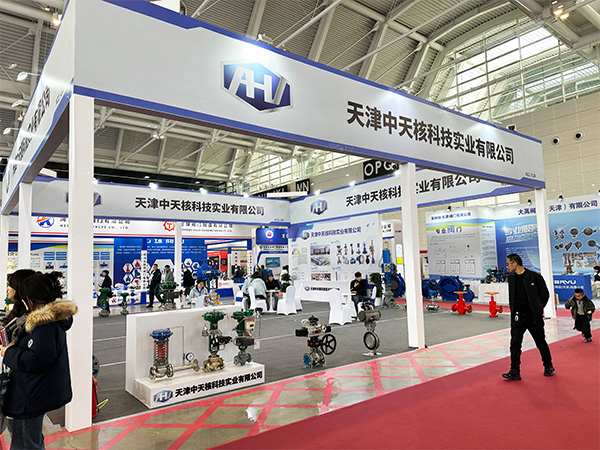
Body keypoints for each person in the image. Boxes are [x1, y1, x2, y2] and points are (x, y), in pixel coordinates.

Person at [1, 272, 77, 450]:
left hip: (31, 395)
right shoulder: (46, 323)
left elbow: (36, 359)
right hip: (32, 392)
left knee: (25, 443)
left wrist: (8, 352)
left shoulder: (44, 327)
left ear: (31, 299)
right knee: (29, 440)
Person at [502, 253, 554, 380]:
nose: (507, 266)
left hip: (533, 317)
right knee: (515, 344)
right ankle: (514, 370)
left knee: (540, 342)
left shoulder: (534, 277)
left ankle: (548, 365)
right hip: (518, 317)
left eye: (508, 264)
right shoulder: (512, 278)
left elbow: (545, 294)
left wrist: (538, 308)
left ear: (515, 263)